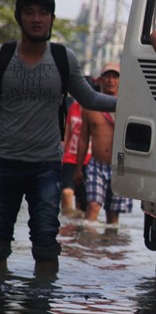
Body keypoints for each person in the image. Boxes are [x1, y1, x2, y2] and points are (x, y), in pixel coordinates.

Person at [0, 0, 116, 275]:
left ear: (51, 18)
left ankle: (41, 310)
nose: (36, 19)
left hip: (46, 166)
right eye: (29, 13)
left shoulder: (63, 59)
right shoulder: (3, 57)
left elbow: (89, 98)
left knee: (46, 241)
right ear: (20, 18)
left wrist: (128, 103)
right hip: (4, 163)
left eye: (43, 13)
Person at [74, 63, 132, 224]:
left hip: (120, 166)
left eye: (115, 76)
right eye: (107, 76)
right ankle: (88, 246)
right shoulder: (90, 106)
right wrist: (78, 168)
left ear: (121, 80)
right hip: (96, 165)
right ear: (100, 79)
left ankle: (108, 247)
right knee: (92, 206)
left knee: (113, 216)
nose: (110, 81)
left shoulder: (129, 105)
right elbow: (83, 138)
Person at [61, 79, 95, 217]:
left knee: (84, 201)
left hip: (89, 159)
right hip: (70, 156)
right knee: (66, 192)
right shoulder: (73, 108)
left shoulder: (95, 109)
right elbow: (67, 131)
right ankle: (67, 223)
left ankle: (79, 231)